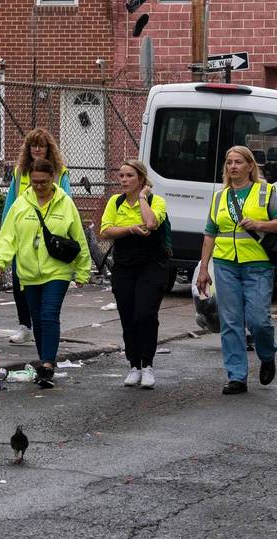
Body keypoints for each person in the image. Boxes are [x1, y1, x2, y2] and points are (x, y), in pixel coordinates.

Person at [0, 158, 91, 388]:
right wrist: (0, 261)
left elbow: (79, 238)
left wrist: (83, 271)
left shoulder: (65, 203)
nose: (38, 186)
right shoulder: (21, 204)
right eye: (34, 182)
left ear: (53, 178)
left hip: (57, 270)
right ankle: (44, 361)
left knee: (49, 313)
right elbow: (8, 236)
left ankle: (47, 365)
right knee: (37, 318)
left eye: (43, 182)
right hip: (28, 271)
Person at [196, 146, 277, 394]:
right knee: (231, 322)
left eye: (238, 162)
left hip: (257, 266)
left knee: (258, 321)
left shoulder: (265, 192)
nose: (233, 166)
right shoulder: (219, 197)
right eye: (229, 162)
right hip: (226, 266)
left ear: (250, 166)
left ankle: (267, 355)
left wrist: (259, 224)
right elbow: (210, 234)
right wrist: (204, 269)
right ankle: (237, 376)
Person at [98, 159, 169, 389]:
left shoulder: (156, 201)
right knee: (128, 316)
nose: (124, 180)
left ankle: (147, 365)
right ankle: (134, 365)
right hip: (124, 266)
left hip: (152, 265)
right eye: (121, 176)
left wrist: (141, 199)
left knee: (145, 314)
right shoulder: (115, 202)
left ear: (141, 179)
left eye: (129, 176)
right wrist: (129, 229)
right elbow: (105, 230)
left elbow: (150, 222)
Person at [2, 128, 71, 346]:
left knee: (44, 282)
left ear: (48, 148)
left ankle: (42, 323)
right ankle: (25, 325)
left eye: (41, 145)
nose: (37, 150)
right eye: (33, 146)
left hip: (48, 236)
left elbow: (67, 202)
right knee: (18, 281)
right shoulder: (20, 172)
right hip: (24, 233)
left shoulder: (60, 173)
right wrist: (6, 232)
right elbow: (11, 202)